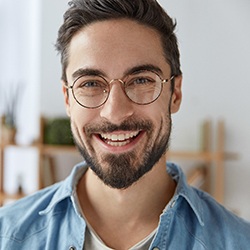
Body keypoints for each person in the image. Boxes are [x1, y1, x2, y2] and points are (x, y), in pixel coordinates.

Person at [1, 0, 250, 249]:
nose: (115, 113)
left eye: (141, 80)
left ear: (175, 93)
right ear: (68, 99)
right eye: (90, 83)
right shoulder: (7, 235)